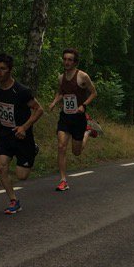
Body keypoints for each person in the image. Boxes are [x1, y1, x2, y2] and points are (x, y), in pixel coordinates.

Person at [0, 54, 44, 214]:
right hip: (5, 135)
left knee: (22, 176)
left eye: (2, 69)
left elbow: (39, 109)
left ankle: (32, 149)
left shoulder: (22, 91)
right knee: (1, 167)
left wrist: (24, 127)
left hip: (23, 136)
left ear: (10, 71)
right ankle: (14, 200)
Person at [48, 47, 97, 192]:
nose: (66, 62)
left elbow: (94, 93)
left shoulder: (83, 76)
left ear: (75, 62)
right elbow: (61, 92)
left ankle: (87, 131)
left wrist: (83, 105)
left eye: (70, 59)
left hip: (79, 118)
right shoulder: (61, 77)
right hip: (65, 116)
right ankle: (63, 180)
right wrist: (54, 102)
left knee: (76, 151)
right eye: (64, 59)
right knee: (61, 146)